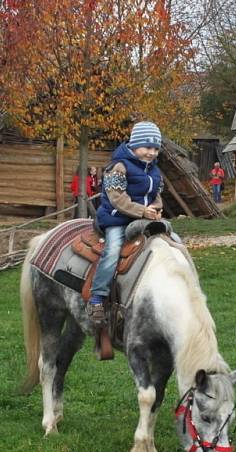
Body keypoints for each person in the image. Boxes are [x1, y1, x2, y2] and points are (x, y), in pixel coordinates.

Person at [86, 121, 164, 324]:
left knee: (171, 240)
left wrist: (156, 208)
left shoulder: (154, 170)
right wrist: (142, 211)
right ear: (135, 144)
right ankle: (97, 296)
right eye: (147, 147)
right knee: (112, 251)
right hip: (117, 217)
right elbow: (117, 198)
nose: (151, 153)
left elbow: (155, 195)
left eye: (156, 148)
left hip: (144, 217)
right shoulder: (118, 167)